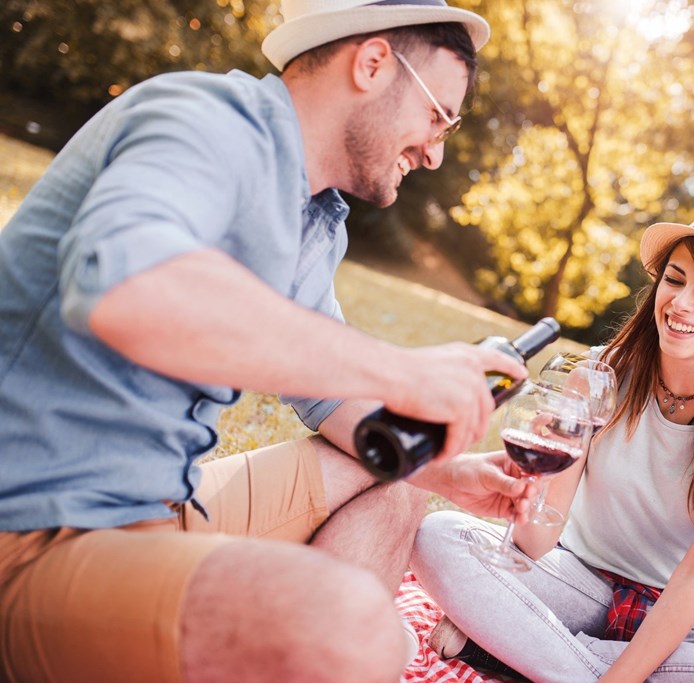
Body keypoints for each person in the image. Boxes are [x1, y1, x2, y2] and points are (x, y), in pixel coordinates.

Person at [0, 2, 536, 682]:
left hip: (163, 502)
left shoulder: (313, 214)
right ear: (371, 63)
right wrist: (404, 370)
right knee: (356, 630)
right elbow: (123, 281)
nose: (435, 150)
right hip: (31, 524)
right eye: (437, 116)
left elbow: (330, 397)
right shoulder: (206, 118)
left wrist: (445, 474)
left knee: (395, 477)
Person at [412, 197, 694, 682]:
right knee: (441, 537)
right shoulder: (598, 375)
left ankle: (524, 655)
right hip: (577, 584)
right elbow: (537, 539)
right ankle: (569, 661)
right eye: (675, 279)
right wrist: (533, 485)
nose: (682, 303)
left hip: (682, 617)